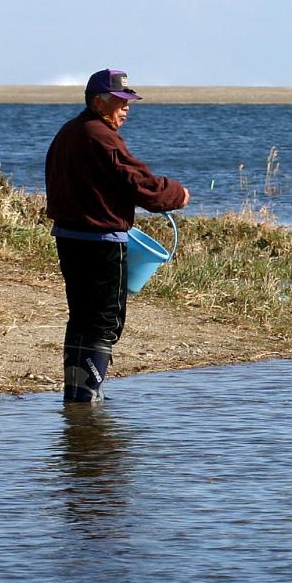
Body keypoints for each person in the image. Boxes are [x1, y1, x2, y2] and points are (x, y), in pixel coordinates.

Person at [45, 69, 188, 404]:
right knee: (103, 321)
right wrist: (177, 194)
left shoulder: (70, 131)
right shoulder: (101, 136)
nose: (126, 108)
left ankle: (78, 397)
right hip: (100, 244)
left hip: (69, 239)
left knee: (82, 317)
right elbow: (139, 185)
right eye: (120, 101)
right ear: (98, 102)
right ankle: (86, 401)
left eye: (128, 102)